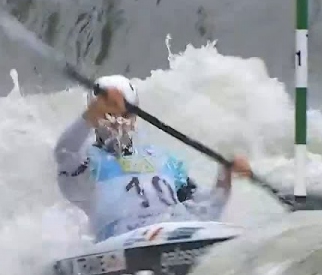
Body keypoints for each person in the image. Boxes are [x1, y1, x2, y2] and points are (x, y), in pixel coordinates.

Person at [54, 75, 253, 242]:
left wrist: (225, 175)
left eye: (124, 116)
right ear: (95, 119)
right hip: (121, 240)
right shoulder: (87, 162)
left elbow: (207, 209)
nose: (117, 122)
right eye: (107, 115)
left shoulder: (162, 159)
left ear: (135, 118)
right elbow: (64, 152)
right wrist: (90, 115)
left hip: (173, 229)